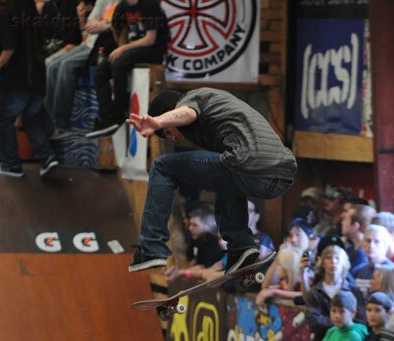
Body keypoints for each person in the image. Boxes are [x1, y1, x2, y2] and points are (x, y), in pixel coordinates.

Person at [127, 87, 297, 273]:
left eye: (168, 132)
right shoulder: (219, 107)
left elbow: (188, 113)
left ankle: (151, 247)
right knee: (224, 174)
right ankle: (241, 247)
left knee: (162, 166)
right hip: (280, 175)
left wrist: (158, 121)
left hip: (250, 162)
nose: (174, 138)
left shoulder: (193, 97)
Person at [86, 0, 169, 138]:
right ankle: (106, 117)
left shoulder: (150, 5)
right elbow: (115, 28)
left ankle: (118, 114)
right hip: (133, 49)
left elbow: (150, 39)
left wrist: (122, 49)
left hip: (153, 50)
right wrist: (121, 45)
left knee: (119, 63)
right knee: (100, 70)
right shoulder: (121, 6)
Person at [0, 0, 59, 177]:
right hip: (38, 76)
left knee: (3, 118)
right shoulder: (32, 12)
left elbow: (9, 49)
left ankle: (10, 164)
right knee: (32, 118)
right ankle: (47, 157)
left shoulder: (8, 13)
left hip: (18, 78)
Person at [45, 0, 116, 136]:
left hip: (101, 44)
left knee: (66, 65)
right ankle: (49, 120)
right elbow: (88, 24)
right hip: (89, 42)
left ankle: (60, 122)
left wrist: (102, 25)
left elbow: (118, 23)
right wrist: (87, 21)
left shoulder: (123, 4)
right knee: (50, 64)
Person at [303, 238, 365, 341]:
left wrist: (330, 321)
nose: (333, 261)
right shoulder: (315, 292)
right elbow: (314, 322)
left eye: (337, 258)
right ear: (322, 263)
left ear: (344, 263)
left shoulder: (353, 290)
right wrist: (344, 321)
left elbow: (361, 319)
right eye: (329, 258)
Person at [352, 224, 392, 297]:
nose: (371, 245)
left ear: (385, 245)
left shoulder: (391, 272)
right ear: (362, 243)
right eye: (368, 241)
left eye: (376, 242)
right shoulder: (357, 271)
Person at [341, 203, 375, 273]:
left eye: (345, 219)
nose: (342, 222)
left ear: (355, 226)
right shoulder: (351, 249)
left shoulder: (361, 255)